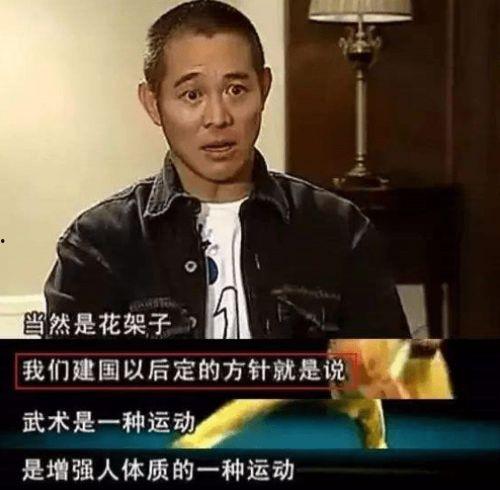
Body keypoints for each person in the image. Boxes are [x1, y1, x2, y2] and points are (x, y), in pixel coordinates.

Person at [44, 0, 410, 339]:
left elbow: (390, 383)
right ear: (153, 104)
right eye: (192, 95)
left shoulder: (340, 231)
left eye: (236, 90)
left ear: (264, 88)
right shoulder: (99, 245)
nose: (218, 118)